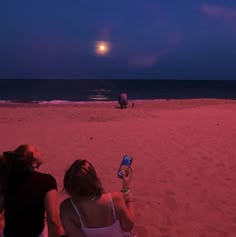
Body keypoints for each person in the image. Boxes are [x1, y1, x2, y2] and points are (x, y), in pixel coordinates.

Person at [60, 159, 135, 237]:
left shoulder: (67, 208)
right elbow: (128, 226)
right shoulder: (115, 199)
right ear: (93, 180)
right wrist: (126, 191)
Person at [0, 144, 61, 237]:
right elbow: (53, 221)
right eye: (36, 151)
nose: (39, 151)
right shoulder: (47, 180)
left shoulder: (8, 179)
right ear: (33, 163)